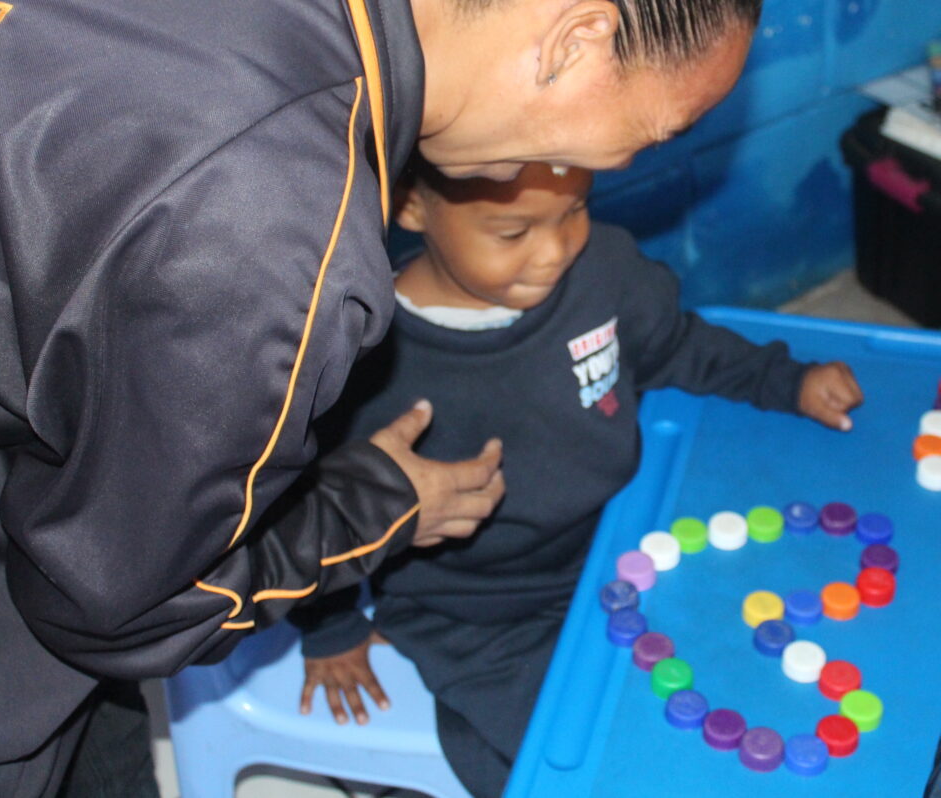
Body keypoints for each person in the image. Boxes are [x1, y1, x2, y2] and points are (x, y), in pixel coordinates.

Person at [0, 0, 766, 793]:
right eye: (654, 130)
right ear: (576, 41)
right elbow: (115, 607)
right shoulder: (269, 233)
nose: (625, 162)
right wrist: (379, 505)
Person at [294, 159, 864, 798]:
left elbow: (676, 345)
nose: (555, 251)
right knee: (586, 763)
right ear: (410, 205)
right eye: (513, 232)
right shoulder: (362, 358)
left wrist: (784, 380)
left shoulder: (605, 270)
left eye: (575, 210)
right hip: (476, 613)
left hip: (623, 543)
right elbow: (315, 504)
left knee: (730, 701)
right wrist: (329, 628)